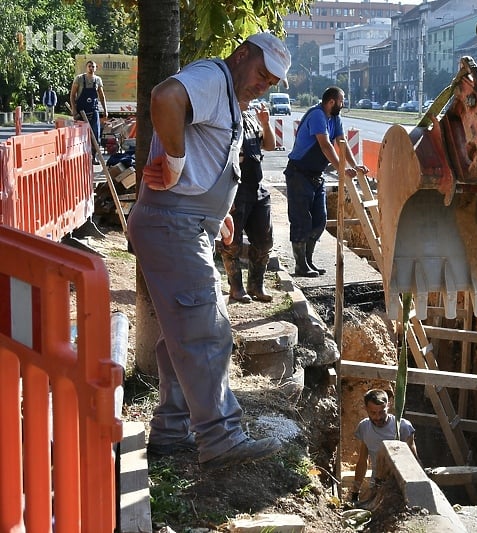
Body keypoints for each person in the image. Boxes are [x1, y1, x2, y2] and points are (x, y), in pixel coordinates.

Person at [126, 32, 292, 470]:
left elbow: (209, 155)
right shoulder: (212, 78)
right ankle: (220, 439)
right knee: (206, 329)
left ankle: (171, 429)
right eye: (261, 74)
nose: (264, 85)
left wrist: (215, 212)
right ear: (241, 56)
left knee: (179, 334)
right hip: (172, 224)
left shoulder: (226, 90)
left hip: (185, 223)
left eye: (272, 82)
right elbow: (165, 97)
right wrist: (175, 161)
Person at [284, 86, 369, 277]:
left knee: (320, 221)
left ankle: (308, 261)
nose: (343, 104)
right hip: (299, 174)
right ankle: (300, 265)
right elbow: (325, 145)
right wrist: (341, 169)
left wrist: (354, 166)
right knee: (301, 221)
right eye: (342, 100)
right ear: (331, 101)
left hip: (316, 176)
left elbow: (342, 142)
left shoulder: (335, 118)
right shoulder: (317, 115)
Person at [219, 101, 276, 303]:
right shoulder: (225, 119)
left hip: (257, 188)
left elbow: (269, 145)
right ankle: (236, 287)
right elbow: (221, 159)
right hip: (237, 188)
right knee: (231, 243)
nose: (251, 100)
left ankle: (256, 286)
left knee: (264, 241)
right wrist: (227, 195)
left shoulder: (252, 119)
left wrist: (266, 123)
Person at [352, 389, 418, 502]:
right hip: (376, 488)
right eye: (373, 413)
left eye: (382, 412)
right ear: (365, 409)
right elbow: (362, 461)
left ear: (388, 405)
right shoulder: (364, 427)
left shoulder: (403, 427)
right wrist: (355, 492)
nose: (377, 417)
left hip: (399, 489)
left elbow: (414, 462)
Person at [69, 61, 108, 163]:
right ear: (86, 68)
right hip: (81, 111)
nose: (91, 68)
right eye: (89, 66)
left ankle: (93, 157)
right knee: (80, 135)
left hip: (93, 110)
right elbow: (72, 95)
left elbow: (101, 96)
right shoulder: (79, 79)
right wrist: (74, 111)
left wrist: (105, 110)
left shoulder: (98, 80)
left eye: (93, 67)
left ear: (96, 68)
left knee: (95, 134)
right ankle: (79, 157)